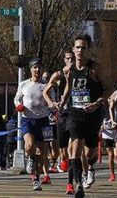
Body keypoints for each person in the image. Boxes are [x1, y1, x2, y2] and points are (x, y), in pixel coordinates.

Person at [45, 34, 106, 197]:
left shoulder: (94, 69)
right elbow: (69, 88)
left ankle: (91, 166)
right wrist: (62, 102)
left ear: (88, 50)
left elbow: (108, 91)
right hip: (75, 113)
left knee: (89, 153)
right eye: (77, 47)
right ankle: (78, 184)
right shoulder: (67, 70)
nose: (80, 50)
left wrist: (96, 104)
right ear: (73, 49)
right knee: (75, 146)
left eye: (83, 47)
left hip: (92, 115)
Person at [15, 58, 51, 192]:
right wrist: (18, 105)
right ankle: (30, 157)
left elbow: (52, 100)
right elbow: (16, 98)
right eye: (35, 67)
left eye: (40, 67)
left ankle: (36, 179)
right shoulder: (23, 84)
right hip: (28, 119)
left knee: (41, 153)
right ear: (30, 69)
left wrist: (54, 107)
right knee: (29, 145)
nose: (37, 70)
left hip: (43, 120)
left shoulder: (46, 85)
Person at [100, 117, 117, 182]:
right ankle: (112, 174)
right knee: (111, 154)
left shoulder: (114, 115)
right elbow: (101, 128)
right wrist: (101, 129)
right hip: (106, 138)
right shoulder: (103, 115)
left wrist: (115, 126)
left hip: (115, 137)